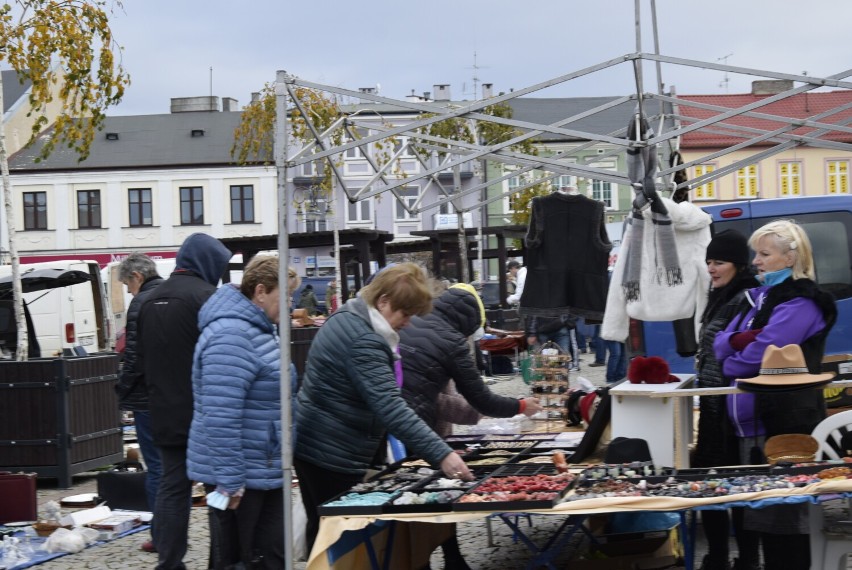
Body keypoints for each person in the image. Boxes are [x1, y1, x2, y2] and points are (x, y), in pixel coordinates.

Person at [294, 263, 471, 554]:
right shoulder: (365, 340)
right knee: (338, 540)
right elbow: (391, 406)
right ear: (384, 301)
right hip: (332, 451)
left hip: (317, 444)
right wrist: (442, 455)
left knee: (323, 529)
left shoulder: (349, 314)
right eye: (405, 313)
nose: (408, 323)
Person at [713, 220, 837, 570]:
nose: (755, 261)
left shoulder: (802, 301)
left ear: (790, 257)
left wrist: (735, 350)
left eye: (764, 253)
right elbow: (723, 338)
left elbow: (761, 352)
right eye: (756, 252)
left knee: (787, 524)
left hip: (786, 421)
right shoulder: (765, 297)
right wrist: (735, 343)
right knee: (768, 519)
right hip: (757, 424)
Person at [399, 283, 543, 570]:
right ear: (466, 323)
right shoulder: (451, 340)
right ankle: (427, 562)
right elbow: (480, 400)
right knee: (423, 496)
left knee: (426, 492)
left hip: (399, 420)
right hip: (417, 425)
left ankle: (449, 559)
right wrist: (520, 405)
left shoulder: (414, 321)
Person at [187, 255, 292, 569]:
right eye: (284, 295)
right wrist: (231, 482)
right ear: (260, 292)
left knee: (261, 554)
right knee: (239, 558)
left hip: (262, 465)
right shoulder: (232, 336)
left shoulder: (258, 328)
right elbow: (220, 415)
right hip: (240, 474)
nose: (289, 303)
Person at [138, 233, 232, 570]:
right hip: (204, 412)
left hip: (163, 411)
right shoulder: (209, 298)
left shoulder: (149, 300)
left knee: (172, 488)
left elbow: (138, 360)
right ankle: (219, 561)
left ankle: (169, 561)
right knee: (218, 491)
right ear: (207, 263)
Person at [692, 230, 760, 570]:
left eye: (718, 262)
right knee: (711, 483)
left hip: (733, 408)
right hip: (713, 405)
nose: (712, 269)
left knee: (737, 486)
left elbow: (740, 349)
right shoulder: (721, 295)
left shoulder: (746, 298)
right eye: (709, 262)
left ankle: (745, 560)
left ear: (738, 264)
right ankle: (718, 556)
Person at [115, 253, 164, 554]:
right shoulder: (171, 294)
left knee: (156, 468)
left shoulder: (142, 302)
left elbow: (133, 355)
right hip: (173, 395)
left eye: (127, 286)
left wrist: (123, 388)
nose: (129, 292)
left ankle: (160, 535)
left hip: (147, 397)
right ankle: (172, 531)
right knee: (172, 468)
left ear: (136, 277)